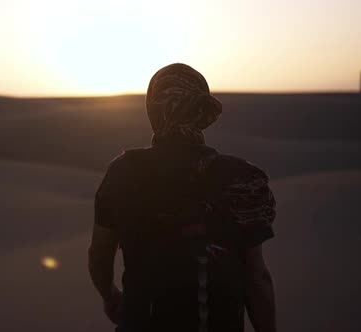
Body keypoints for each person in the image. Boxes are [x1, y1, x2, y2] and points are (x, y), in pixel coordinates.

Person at [88, 63, 277, 332]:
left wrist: (109, 294)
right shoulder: (241, 177)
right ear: (202, 110)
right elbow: (256, 277)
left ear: (152, 108)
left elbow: (99, 254)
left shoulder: (123, 172)